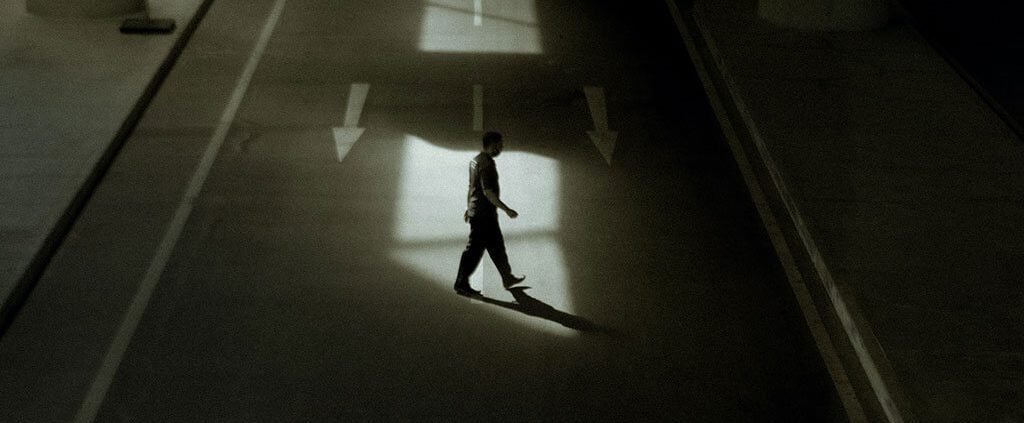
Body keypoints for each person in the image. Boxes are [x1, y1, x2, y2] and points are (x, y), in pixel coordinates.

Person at [454, 131, 526, 296]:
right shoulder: (487, 165)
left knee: (497, 247)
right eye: (499, 146)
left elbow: (472, 188)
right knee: (474, 251)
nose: (501, 149)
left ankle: (507, 278)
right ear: (491, 145)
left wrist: (469, 208)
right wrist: (506, 209)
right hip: (483, 216)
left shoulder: (475, 161)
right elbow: (488, 192)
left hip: (480, 213)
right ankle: (461, 283)